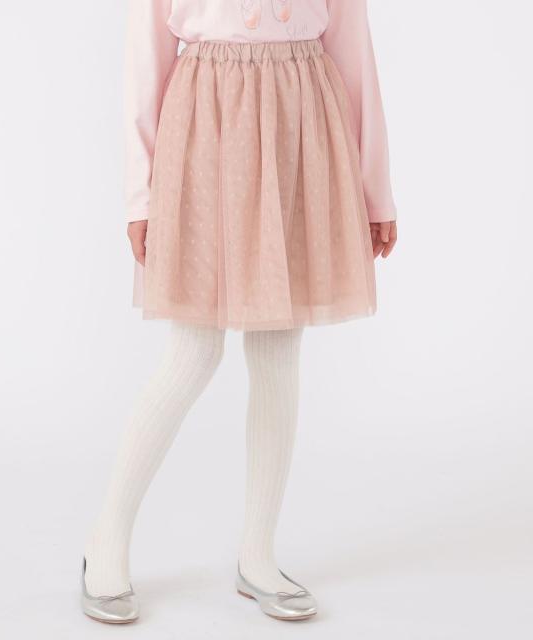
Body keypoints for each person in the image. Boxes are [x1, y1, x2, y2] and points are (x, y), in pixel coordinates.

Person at [82, 0, 397, 624]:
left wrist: (374, 189)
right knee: (193, 351)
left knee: (278, 350)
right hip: (207, 127)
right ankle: (106, 541)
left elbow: (353, 51)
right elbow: (145, 58)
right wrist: (139, 197)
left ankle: (258, 555)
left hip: (299, 124)